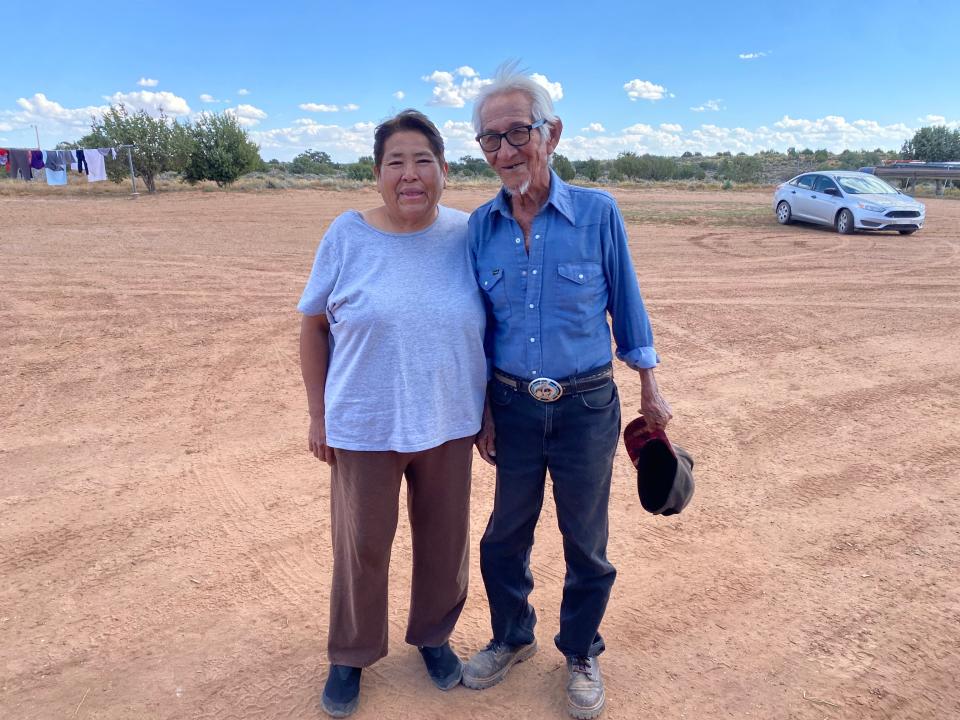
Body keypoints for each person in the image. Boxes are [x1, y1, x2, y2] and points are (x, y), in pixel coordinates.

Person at [462, 65, 673, 719]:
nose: (505, 151)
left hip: (586, 407)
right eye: (489, 140)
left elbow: (628, 306)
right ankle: (512, 636)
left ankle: (580, 649)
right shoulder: (480, 227)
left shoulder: (597, 214)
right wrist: (480, 411)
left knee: (586, 540)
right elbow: (474, 324)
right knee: (504, 536)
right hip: (512, 408)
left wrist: (650, 388)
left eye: (517, 132)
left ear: (551, 133)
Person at [297, 110, 487, 718]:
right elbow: (313, 324)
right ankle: (351, 653)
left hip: (450, 418)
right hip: (364, 422)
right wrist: (318, 413)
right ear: (377, 174)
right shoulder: (347, 236)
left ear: (445, 171)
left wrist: (489, 410)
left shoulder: (471, 233)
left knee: (444, 540)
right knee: (361, 545)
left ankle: (433, 635)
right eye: (396, 163)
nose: (411, 175)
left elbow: (494, 322)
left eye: (422, 161)